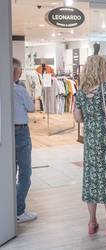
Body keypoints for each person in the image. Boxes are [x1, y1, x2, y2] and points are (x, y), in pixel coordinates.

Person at [73, 55, 106, 237]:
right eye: (105, 67)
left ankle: (92, 222)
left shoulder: (80, 91)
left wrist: (91, 117)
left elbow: (78, 118)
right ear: (99, 69)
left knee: (91, 179)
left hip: (90, 141)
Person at [13, 58, 37, 223]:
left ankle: (9, 209)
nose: (21, 72)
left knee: (8, 173)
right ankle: (18, 211)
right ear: (15, 70)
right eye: (20, 69)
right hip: (20, 132)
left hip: (6, 132)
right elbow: (32, 107)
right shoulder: (19, 89)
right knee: (25, 173)